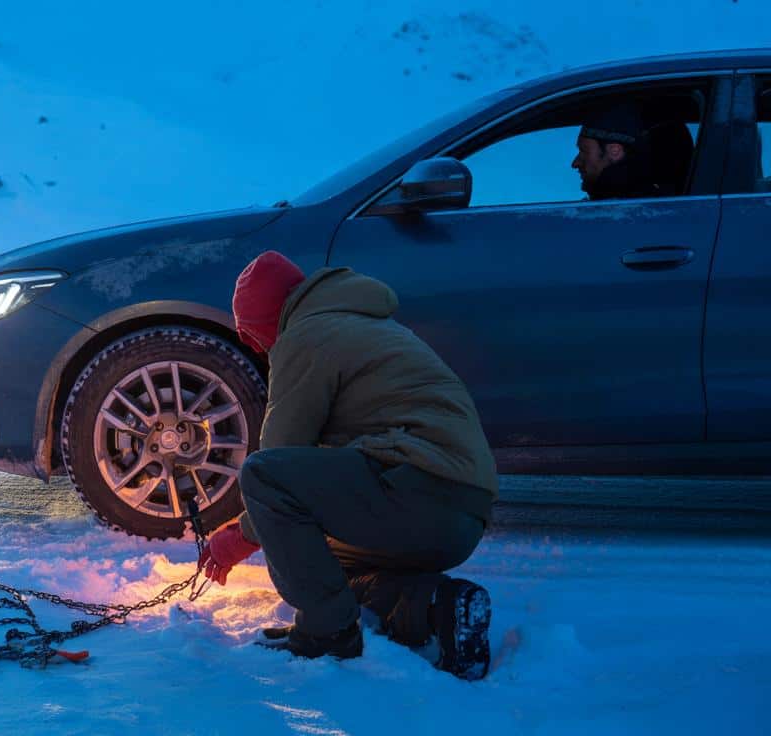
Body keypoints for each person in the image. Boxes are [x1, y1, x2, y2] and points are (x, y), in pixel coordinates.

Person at [200, 251, 499, 680]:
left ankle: (328, 634)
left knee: (262, 475)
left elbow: (277, 459)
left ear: (268, 318)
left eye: (249, 333)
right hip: (460, 516)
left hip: (413, 488)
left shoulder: (307, 335)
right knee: (315, 560)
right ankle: (436, 606)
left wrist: (238, 537)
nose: (252, 346)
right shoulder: (368, 325)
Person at [572, 103, 660, 200]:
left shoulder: (619, 208)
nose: (575, 163)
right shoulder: (645, 204)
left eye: (584, 151)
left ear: (615, 151)